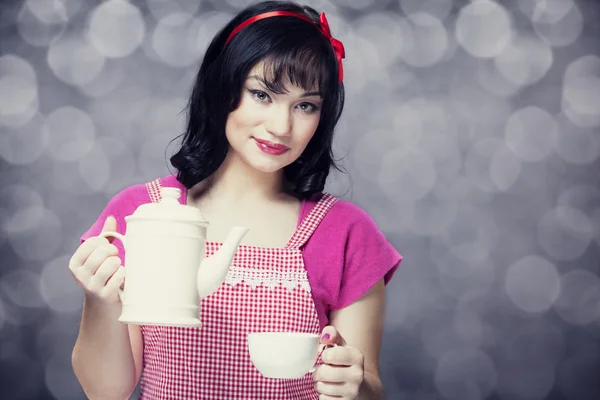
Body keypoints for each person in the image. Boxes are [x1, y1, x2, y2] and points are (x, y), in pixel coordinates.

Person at [69, 1, 401, 399]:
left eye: (306, 105)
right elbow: (106, 391)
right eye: (262, 94)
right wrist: (99, 298)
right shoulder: (139, 214)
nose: (281, 126)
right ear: (222, 86)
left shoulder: (347, 232)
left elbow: (369, 389)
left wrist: (355, 385)